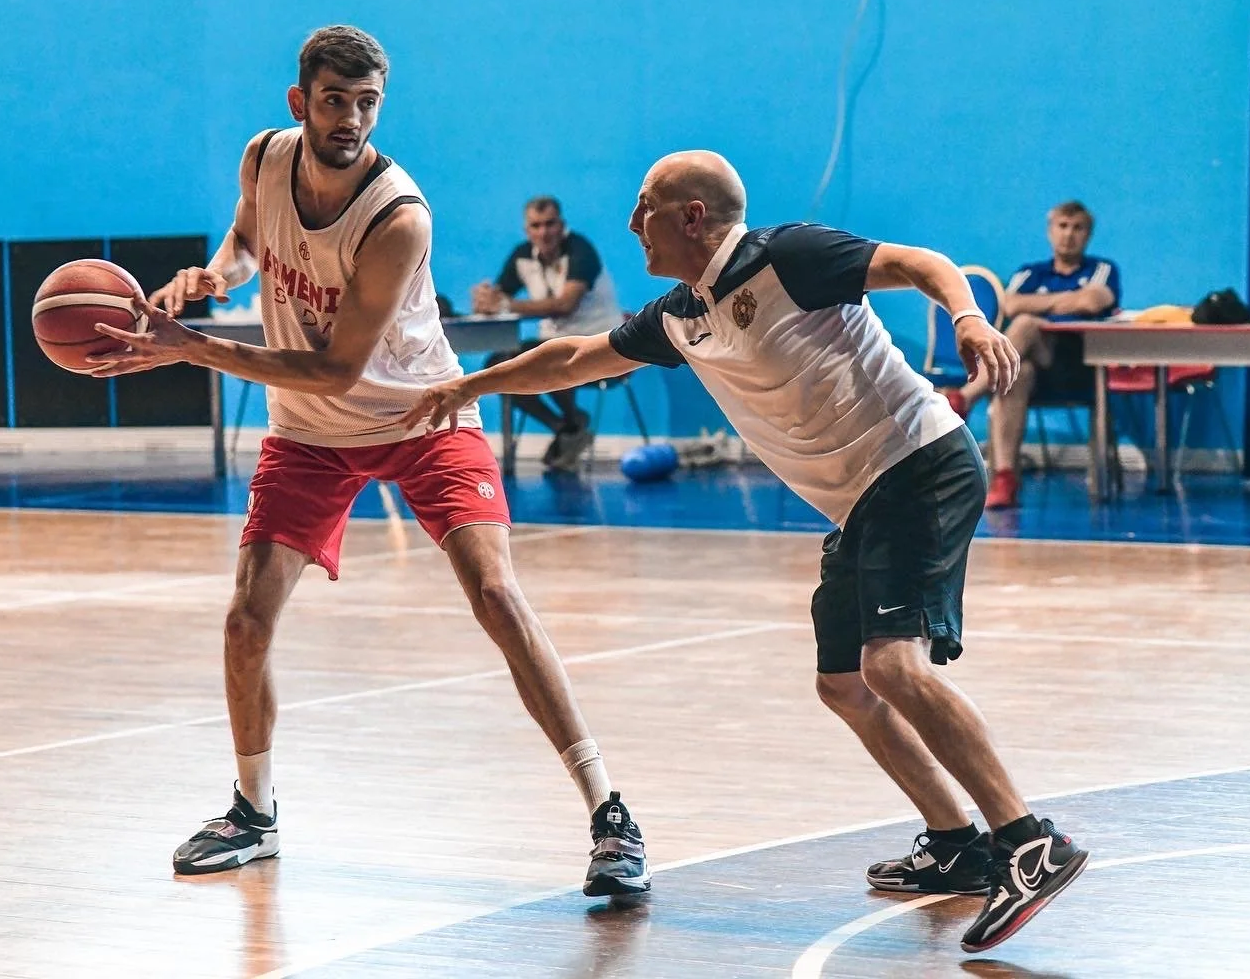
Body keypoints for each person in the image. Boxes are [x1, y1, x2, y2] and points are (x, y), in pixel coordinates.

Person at [402, 151, 1088, 955]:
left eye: (645, 205)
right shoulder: (681, 315)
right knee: (845, 683)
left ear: (693, 216)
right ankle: (956, 842)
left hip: (917, 462)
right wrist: (468, 387)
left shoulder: (789, 257)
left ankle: (1030, 843)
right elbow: (574, 358)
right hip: (862, 499)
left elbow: (921, 262)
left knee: (893, 665)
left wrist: (969, 318)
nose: (630, 222)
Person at [85, 26, 649, 897]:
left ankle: (609, 812)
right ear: (299, 101)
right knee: (245, 623)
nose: (351, 119)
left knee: (496, 595)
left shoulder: (398, 217)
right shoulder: (265, 159)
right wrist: (212, 275)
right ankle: (254, 811)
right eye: (336, 100)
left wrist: (190, 348)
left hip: (422, 413)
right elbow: (244, 242)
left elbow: (338, 367)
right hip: (310, 434)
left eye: (368, 103)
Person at [946, 201, 1121, 509]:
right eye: (1063, 227)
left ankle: (965, 397)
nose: (1069, 235)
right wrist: (1069, 301)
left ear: (1088, 234)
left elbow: (1094, 301)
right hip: (1034, 366)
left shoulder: (1101, 269)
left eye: (1077, 228)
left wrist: (1041, 305)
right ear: (1050, 231)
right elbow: (1010, 305)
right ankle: (1005, 479)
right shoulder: (1031, 272)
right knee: (1017, 373)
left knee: (1026, 324)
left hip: (1077, 365)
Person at [473, 197, 622, 471]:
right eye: (536, 226)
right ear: (527, 230)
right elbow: (498, 296)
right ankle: (567, 426)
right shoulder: (522, 256)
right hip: (556, 344)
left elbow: (565, 305)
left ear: (561, 225)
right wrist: (484, 300)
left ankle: (571, 425)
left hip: (601, 345)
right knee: (500, 367)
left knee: (544, 357)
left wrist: (504, 304)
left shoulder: (580, 251)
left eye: (550, 224)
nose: (544, 232)